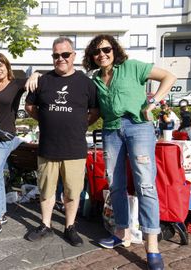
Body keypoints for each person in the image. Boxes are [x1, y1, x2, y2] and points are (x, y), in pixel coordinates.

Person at [83, 34, 176, 269]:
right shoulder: (95, 80)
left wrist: (153, 102)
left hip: (138, 128)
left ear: (114, 49)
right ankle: (121, 233)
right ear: (92, 57)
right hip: (111, 132)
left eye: (106, 49)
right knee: (114, 183)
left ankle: (152, 246)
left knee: (145, 184)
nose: (102, 54)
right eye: (96, 52)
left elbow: (169, 76)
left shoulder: (132, 66)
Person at [24, 37, 99, 247]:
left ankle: (70, 227)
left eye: (65, 54)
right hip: (48, 147)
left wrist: (80, 125)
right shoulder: (43, 80)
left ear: (73, 55)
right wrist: (47, 120)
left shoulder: (86, 83)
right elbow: (30, 107)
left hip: (75, 148)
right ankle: (46, 225)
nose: (61, 58)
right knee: (47, 189)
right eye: (56, 55)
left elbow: (94, 111)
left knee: (72, 191)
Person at [0, 53, 38, 239]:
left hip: (4, 139)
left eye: (0, 65)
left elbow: (38, 78)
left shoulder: (16, 84)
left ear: (7, 66)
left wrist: (36, 74)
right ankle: (1, 213)